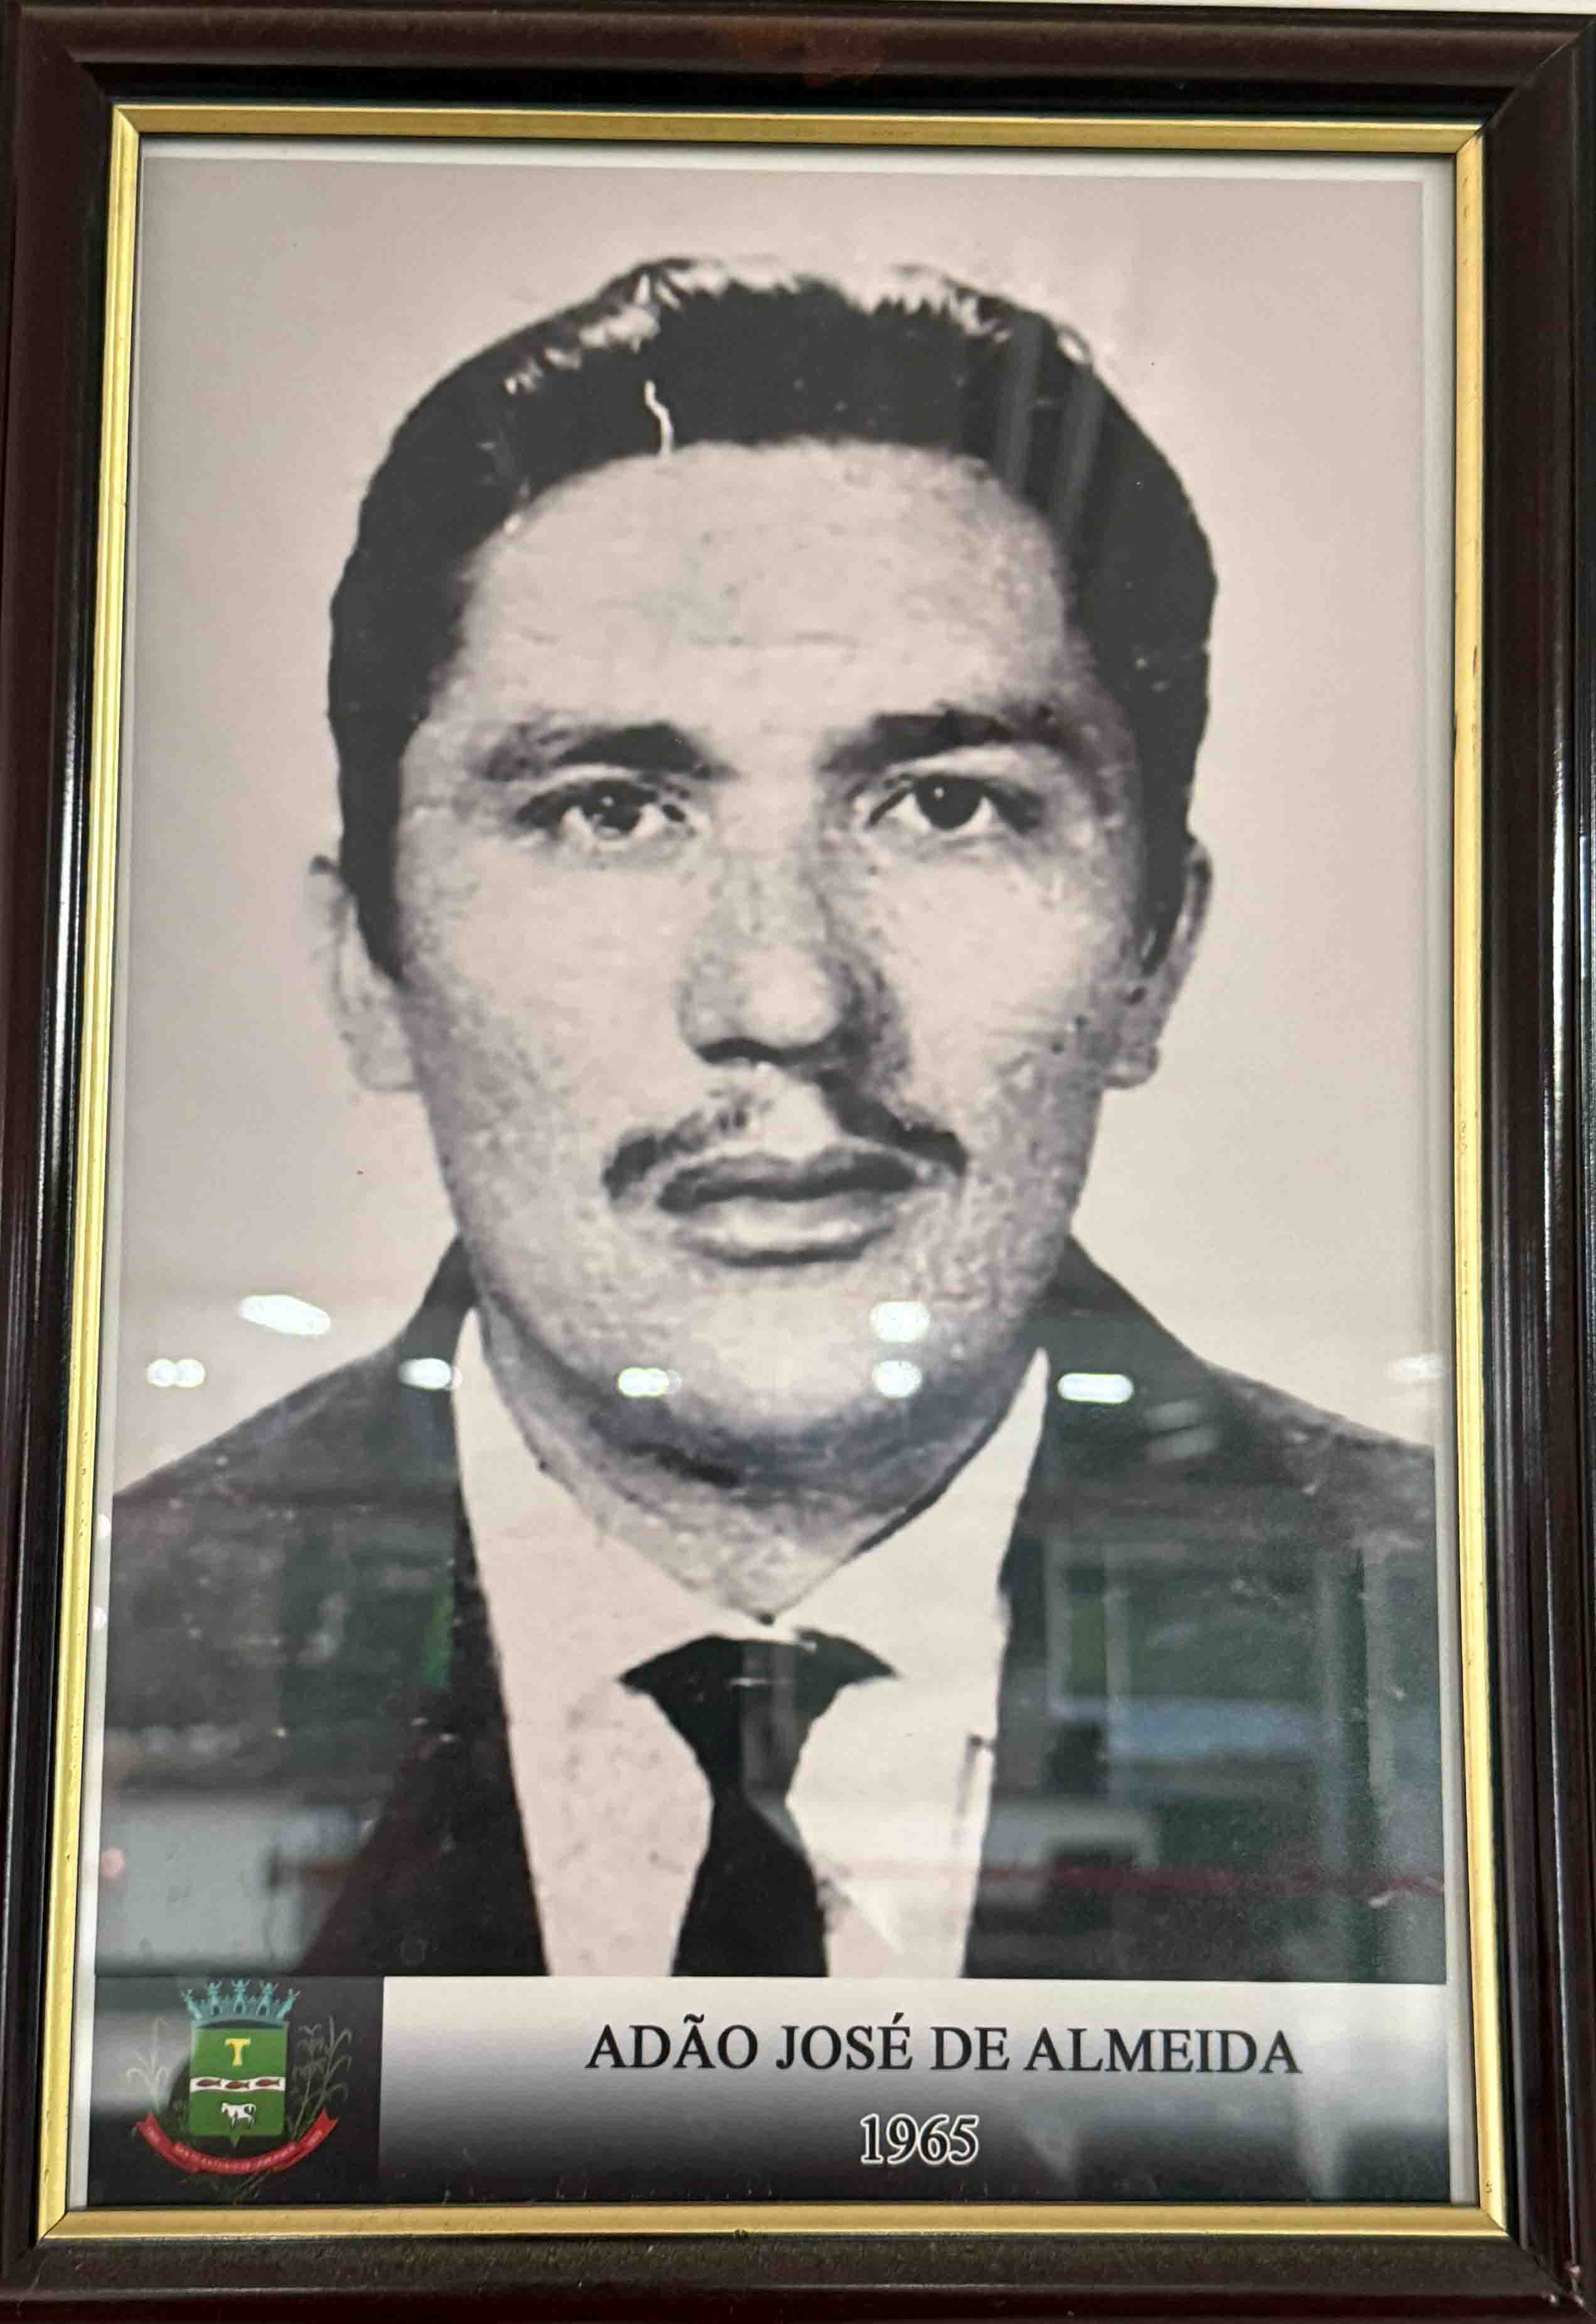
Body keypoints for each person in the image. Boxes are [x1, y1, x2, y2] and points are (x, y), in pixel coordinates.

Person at [103, 257, 1445, 1990]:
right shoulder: (88, 1640)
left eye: (946, 807)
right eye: (606, 813)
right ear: (372, 963)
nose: (789, 995)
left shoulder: (1468, 1633)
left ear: (1151, 956)